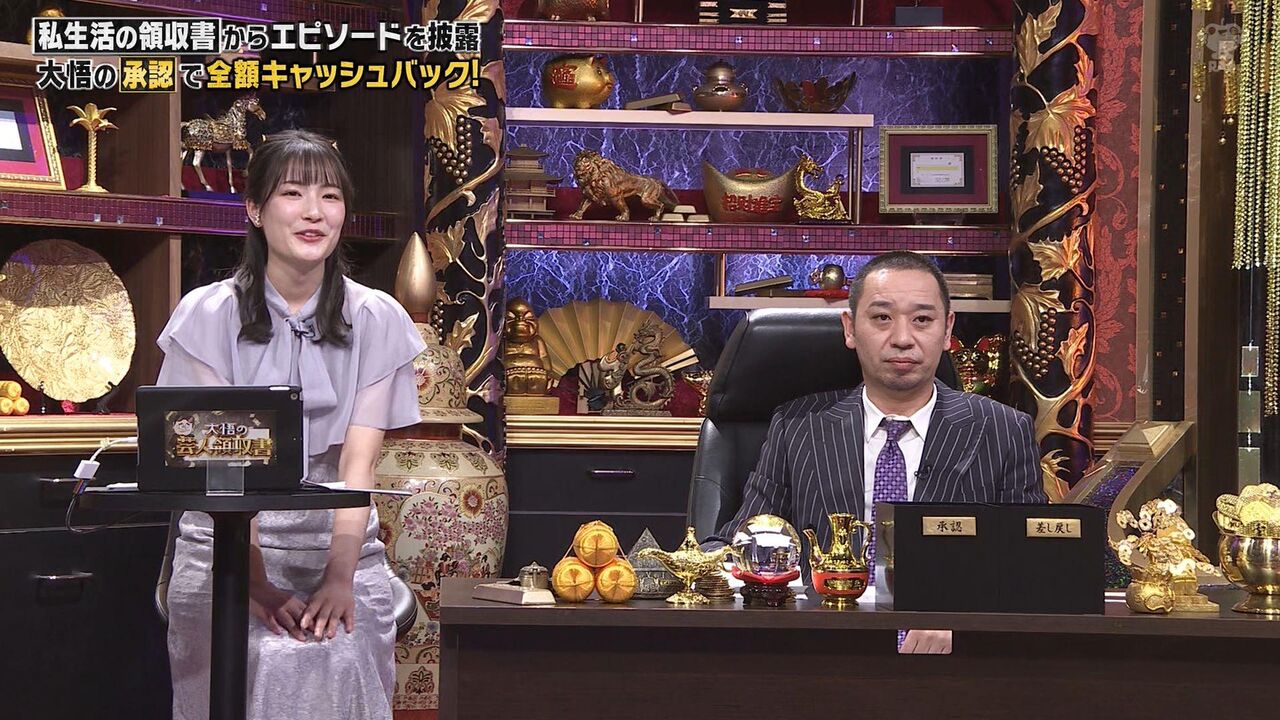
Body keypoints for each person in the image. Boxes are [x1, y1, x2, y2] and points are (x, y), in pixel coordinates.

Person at [156, 130, 425, 720]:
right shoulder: (208, 315)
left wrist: (339, 576)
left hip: (338, 539)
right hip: (225, 543)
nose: (314, 212)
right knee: (263, 661)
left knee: (336, 659)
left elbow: (357, 463)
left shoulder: (377, 317)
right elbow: (222, 468)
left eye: (330, 196)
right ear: (255, 209)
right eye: (293, 193)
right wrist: (252, 581)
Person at [714, 251, 1046, 654]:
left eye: (922, 320)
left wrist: (965, 622)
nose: (902, 338)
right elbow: (744, 542)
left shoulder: (1003, 430)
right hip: (820, 653)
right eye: (882, 318)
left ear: (947, 330)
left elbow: (1031, 567)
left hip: (950, 664)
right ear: (851, 328)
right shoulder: (798, 426)